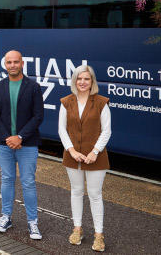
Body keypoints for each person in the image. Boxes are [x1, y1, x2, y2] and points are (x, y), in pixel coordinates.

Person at [0, 50, 44, 240]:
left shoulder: (34, 87)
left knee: (28, 182)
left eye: (16, 62)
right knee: (6, 179)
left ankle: (33, 222)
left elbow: (38, 116)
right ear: (5, 64)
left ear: (22, 63)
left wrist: (20, 136)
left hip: (27, 144)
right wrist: (8, 138)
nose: (12, 65)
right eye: (9, 62)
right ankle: (6, 217)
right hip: (4, 143)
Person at [59, 65, 111, 252]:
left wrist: (95, 151)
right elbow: (61, 129)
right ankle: (77, 229)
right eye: (79, 78)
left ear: (92, 82)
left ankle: (99, 235)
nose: (82, 82)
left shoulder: (101, 102)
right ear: (74, 80)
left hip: (96, 157)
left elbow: (107, 131)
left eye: (86, 79)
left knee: (95, 195)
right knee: (76, 191)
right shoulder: (66, 102)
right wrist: (71, 151)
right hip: (72, 155)